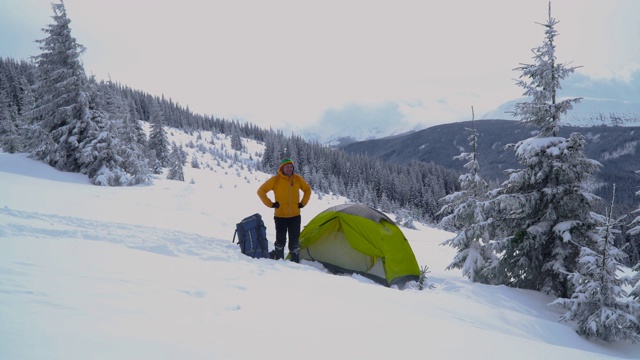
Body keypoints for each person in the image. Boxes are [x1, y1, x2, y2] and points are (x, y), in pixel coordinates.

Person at [257, 158, 311, 263]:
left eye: (291, 167)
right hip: (280, 216)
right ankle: (279, 260)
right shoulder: (276, 180)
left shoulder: (297, 179)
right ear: (282, 168)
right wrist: (271, 204)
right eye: (287, 167)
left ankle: (294, 261)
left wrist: (303, 203)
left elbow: (307, 190)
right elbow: (261, 191)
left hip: (295, 216)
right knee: (280, 240)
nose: (289, 169)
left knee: (294, 241)